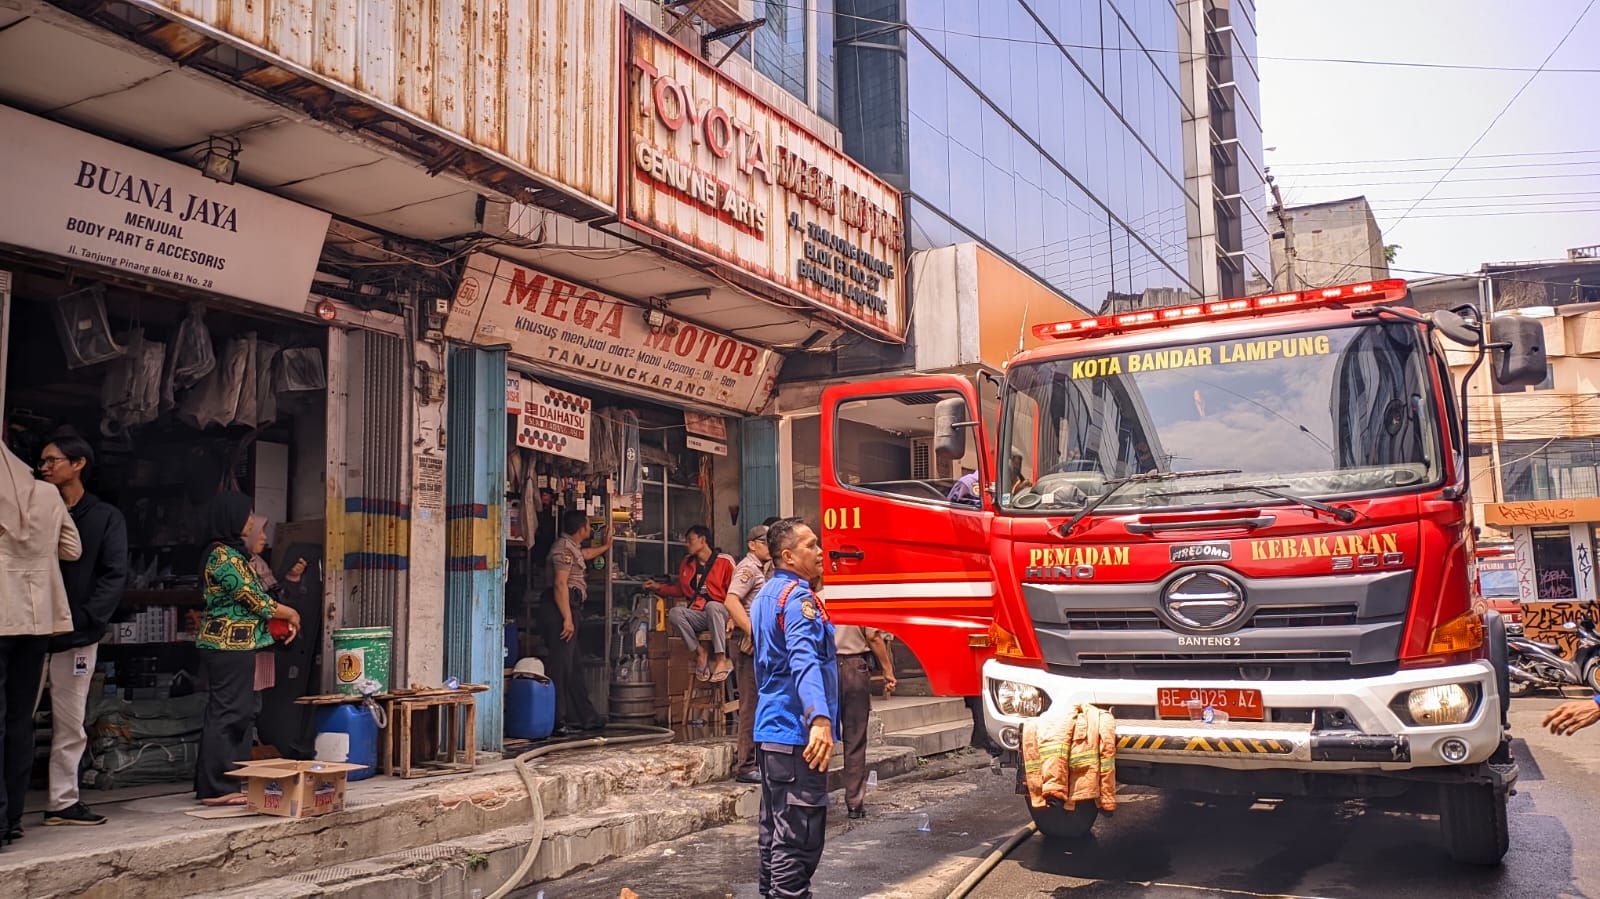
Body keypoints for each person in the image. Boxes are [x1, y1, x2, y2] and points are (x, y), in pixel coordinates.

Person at [37, 434, 127, 827]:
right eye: (41, 461)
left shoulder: (105, 517)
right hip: (30, 630)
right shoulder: (36, 509)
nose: (43, 467)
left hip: (76, 635)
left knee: (70, 722)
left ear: (78, 464)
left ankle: (62, 801)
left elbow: (114, 574)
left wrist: (88, 618)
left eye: (52, 460)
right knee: (15, 716)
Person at [193, 492, 301, 806]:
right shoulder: (222, 556)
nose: (252, 521)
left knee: (238, 712)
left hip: (239, 643)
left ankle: (231, 780)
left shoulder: (233, 554)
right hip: (226, 644)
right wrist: (291, 613)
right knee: (228, 712)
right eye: (249, 515)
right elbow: (254, 599)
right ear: (232, 517)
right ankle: (215, 787)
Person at [750, 517, 837, 899]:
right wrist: (818, 717)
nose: (819, 552)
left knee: (774, 834)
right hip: (796, 735)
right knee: (798, 839)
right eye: (811, 546)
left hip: (771, 732)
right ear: (788, 556)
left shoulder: (766, 596)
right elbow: (804, 660)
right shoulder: (798, 600)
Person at [0, 442, 80, 846]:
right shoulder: (49, 495)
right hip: (38, 620)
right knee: (20, 720)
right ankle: (12, 818)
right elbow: (72, 549)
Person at [542, 509, 612, 738]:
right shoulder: (563, 548)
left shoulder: (572, 548)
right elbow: (560, 584)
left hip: (569, 609)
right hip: (560, 610)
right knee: (561, 668)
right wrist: (567, 618)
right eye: (589, 525)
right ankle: (556, 720)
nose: (590, 529)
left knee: (574, 668)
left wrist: (605, 547)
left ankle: (585, 717)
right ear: (581, 528)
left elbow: (586, 554)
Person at [645, 525, 736, 683]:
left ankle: (721, 659)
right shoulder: (687, 563)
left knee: (712, 606)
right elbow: (681, 589)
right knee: (675, 613)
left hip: (720, 612)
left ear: (702, 540)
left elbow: (736, 592)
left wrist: (733, 618)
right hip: (699, 614)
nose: (687, 545)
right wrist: (659, 587)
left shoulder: (725, 561)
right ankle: (700, 652)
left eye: (690, 540)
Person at [725, 524, 771, 784]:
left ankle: (758, 759)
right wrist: (752, 629)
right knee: (750, 704)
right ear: (752, 544)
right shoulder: (747, 568)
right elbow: (731, 601)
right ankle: (746, 765)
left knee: (759, 701)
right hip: (747, 644)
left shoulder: (764, 570)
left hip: (757, 644)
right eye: (764, 542)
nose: (768, 546)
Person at [834, 624, 896, 819]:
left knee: (820, 732)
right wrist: (887, 669)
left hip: (823, 668)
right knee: (855, 737)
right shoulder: (853, 596)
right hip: (854, 667)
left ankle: (813, 799)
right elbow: (874, 636)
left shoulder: (816, 597)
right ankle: (854, 802)